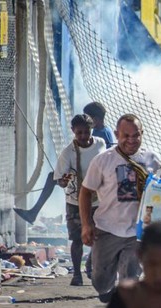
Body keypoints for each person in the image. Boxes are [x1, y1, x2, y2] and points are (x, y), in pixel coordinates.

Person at [80, 114, 161, 302]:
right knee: (100, 281)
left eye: (136, 136)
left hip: (138, 232)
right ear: (117, 135)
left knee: (130, 277)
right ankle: (99, 270)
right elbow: (85, 192)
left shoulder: (151, 160)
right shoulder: (103, 160)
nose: (132, 140)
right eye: (126, 136)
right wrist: (86, 225)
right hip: (108, 229)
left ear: (142, 134)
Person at [54, 114, 106, 285]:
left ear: (92, 130)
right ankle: (77, 274)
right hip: (75, 201)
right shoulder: (67, 153)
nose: (83, 136)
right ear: (73, 132)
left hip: (99, 200)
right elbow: (60, 182)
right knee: (77, 239)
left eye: (86, 132)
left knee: (100, 236)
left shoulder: (100, 144)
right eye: (79, 133)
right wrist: (64, 180)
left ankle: (90, 264)